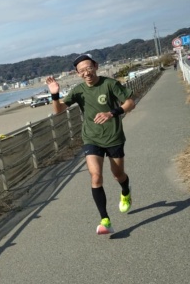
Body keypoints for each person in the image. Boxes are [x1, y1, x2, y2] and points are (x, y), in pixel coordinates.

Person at [46, 54, 136, 235]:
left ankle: (126, 191)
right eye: (81, 71)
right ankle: (105, 220)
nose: (86, 73)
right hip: (91, 138)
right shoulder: (78, 90)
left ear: (96, 66)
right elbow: (59, 110)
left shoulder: (109, 84)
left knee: (118, 175)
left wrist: (111, 113)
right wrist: (55, 94)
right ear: (77, 73)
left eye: (88, 68)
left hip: (113, 136)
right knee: (96, 177)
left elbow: (130, 103)